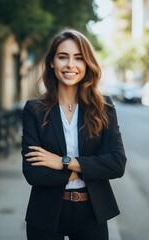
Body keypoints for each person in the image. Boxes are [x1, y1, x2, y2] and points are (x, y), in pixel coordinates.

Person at [21, 28, 127, 240]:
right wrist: (90, 167)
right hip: (46, 214)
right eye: (63, 57)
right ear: (52, 62)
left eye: (78, 58)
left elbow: (116, 164)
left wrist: (63, 161)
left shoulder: (104, 107)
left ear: (87, 64)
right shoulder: (34, 109)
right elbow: (33, 173)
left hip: (92, 213)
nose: (70, 65)